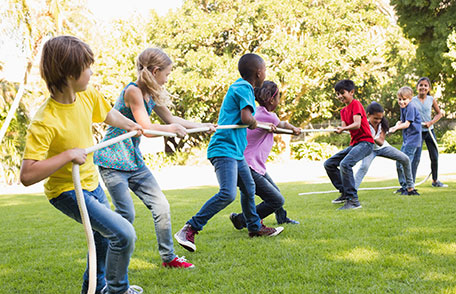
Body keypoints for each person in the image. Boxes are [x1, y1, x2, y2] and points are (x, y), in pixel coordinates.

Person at [19, 36, 143, 294]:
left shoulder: (87, 97)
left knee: (102, 242)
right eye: (87, 67)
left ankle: (95, 290)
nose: (91, 72)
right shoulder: (45, 120)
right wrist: (67, 155)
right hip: (66, 191)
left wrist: (129, 124)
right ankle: (117, 290)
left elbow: (108, 114)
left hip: (92, 184)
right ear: (68, 73)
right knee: (123, 234)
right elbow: (28, 174)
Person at [94, 48, 215, 269]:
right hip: (112, 160)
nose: (167, 79)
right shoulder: (133, 91)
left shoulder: (150, 92)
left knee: (161, 206)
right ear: (156, 70)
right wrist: (171, 128)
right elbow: (146, 129)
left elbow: (170, 118)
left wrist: (202, 126)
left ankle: (168, 259)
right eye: (167, 74)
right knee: (125, 214)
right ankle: (112, 265)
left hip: (133, 160)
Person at [174, 53, 284, 253]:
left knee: (249, 187)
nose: (265, 73)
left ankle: (255, 228)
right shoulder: (244, 88)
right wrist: (254, 122)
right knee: (227, 193)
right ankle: (190, 228)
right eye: (265, 70)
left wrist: (253, 122)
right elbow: (245, 117)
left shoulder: (240, 87)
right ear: (259, 72)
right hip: (224, 149)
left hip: (236, 151)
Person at [229, 81, 300, 229]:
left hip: (250, 163)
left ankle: (282, 218)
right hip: (249, 165)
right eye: (278, 97)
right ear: (272, 99)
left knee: (272, 192)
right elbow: (282, 126)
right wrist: (294, 129)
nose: (279, 100)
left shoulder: (253, 111)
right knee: (276, 199)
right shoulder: (269, 116)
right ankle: (243, 219)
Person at [323, 79, 374, 210]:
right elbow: (344, 128)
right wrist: (339, 129)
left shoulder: (356, 104)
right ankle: (345, 193)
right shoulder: (343, 111)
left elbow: (357, 125)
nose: (340, 96)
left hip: (366, 143)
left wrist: (343, 129)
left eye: (342, 93)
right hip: (355, 144)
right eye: (337, 94)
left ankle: (353, 201)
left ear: (351, 92)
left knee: (346, 164)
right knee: (329, 164)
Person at [354, 102, 419, 195]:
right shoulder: (363, 124)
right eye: (375, 118)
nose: (378, 121)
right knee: (363, 167)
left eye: (380, 118)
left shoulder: (383, 124)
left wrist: (370, 136)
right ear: (368, 115)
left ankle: (410, 188)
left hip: (383, 147)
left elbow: (380, 142)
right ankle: (351, 192)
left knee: (405, 159)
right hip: (369, 149)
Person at [411, 77, 447, 188]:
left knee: (435, 156)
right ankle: (410, 183)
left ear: (429, 88)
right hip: (418, 132)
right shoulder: (412, 100)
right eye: (421, 85)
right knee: (416, 158)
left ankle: (435, 181)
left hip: (429, 132)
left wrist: (431, 122)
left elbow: (439, 114)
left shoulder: (431, 99)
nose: (423, 87)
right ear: (417, 87)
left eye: (425, 85)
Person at [389, 86, 422, 194]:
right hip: (407, 139)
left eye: (404, 99)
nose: (401, 101)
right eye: (399, 99)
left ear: (410, 99)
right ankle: (404, 186)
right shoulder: (403, 107)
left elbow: (407, 124)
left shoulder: (411, 107)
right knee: (399, 162)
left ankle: (409, 188)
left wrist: (396, 128)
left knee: (405, 163)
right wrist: (395, 126)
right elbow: (401, 121)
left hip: (413, 140)